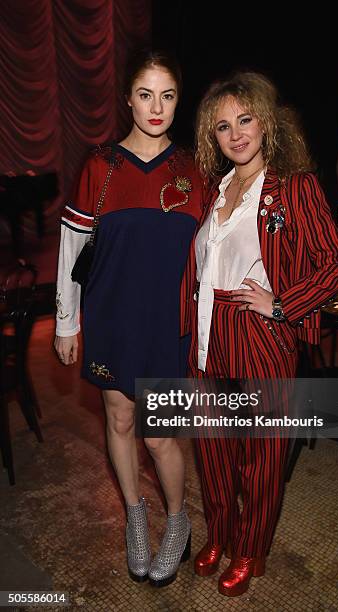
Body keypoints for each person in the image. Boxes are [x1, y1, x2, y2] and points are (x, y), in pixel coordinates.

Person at [180, 71, 338, 597]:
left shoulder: (293, 186)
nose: (235, 134)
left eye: (245, 120)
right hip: (209, 331)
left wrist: (284, 304)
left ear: (265, 123)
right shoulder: (216, 188)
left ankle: (251, 548)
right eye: (222, 127)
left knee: (261, 454)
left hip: (258, 333)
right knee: (212, 448)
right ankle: (220, 534)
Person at [54, 49, 203, 587]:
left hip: (168, 324)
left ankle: (179, 521)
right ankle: (136, 516)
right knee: (119, 420)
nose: (156, 106)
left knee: (162, 436)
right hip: (111, 317)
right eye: (145, 94)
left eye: (167, 95)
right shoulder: (101, 166)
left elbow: (212, 254)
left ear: (178, 100)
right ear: (128, 99)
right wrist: (67, 322)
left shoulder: (194, 171)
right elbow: (72, 251)